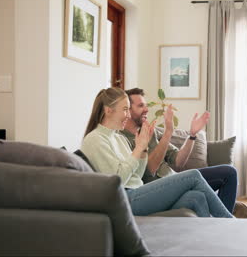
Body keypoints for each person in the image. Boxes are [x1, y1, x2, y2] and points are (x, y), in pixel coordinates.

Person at [81, 87, 233, 218]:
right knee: (194, 176)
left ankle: (212, 241)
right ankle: (230, 223)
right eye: (125, 109)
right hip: (123, 198)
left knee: (196, 197)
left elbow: (138, 175)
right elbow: (118, 180)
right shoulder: (95, 139)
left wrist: (143, 149)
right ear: (108, 111)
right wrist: (138, 149)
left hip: (137, 191)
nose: (127, 115)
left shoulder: (117, 138)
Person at [120, 88, 247, 217]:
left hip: (176, 179)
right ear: (128, 110)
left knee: (229, 172)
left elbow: (179, 160)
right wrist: (168, 132)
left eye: (146, 105)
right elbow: (151, 169)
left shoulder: (151, 131)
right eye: (141, 106)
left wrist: (192, 135)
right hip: (161, 189)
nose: (147, 109)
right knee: (197, 188)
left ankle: (224, 218)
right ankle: (228, 220)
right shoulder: (122, 139)